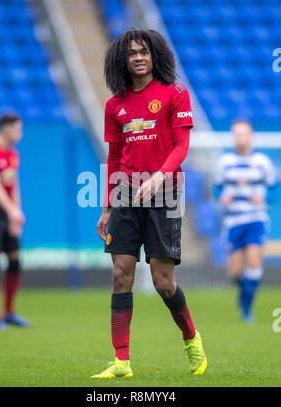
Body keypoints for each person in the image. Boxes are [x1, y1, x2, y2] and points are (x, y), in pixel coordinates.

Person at [92, 29, 207, 378]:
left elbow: (181, 147)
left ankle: (191, 338)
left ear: (155, 54)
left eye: (144, 51)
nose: (139, 57)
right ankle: (121, 362)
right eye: (132, 54)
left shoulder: (175, 94)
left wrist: (158, 176)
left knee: (162, 281)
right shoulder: (116, 105)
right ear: (122, 61)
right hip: (126, 193)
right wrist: (107, 206)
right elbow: (113, 157)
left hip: (166, 193)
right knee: (120, 274)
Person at [213, 119, 277, 322]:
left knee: (254, 261)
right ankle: (244, 294)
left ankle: (247, 311)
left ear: (251, 136)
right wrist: (221, 196)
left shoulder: (262, 162)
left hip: (255, 218)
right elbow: (216, 188)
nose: (240, 138)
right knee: (235, 271)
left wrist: (265, 197)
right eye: (236, 134)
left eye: (243, 134)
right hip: (233, 221)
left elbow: (275, 189)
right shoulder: (224, 163)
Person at [0, 113, 29, 329]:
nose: (20, 133)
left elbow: (14, 186)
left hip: (8, 216)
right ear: (6, 129)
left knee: (15, 260)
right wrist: (11, 210)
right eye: (18, 129)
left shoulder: (13, 154)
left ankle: (10, 311)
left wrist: (16, 214)